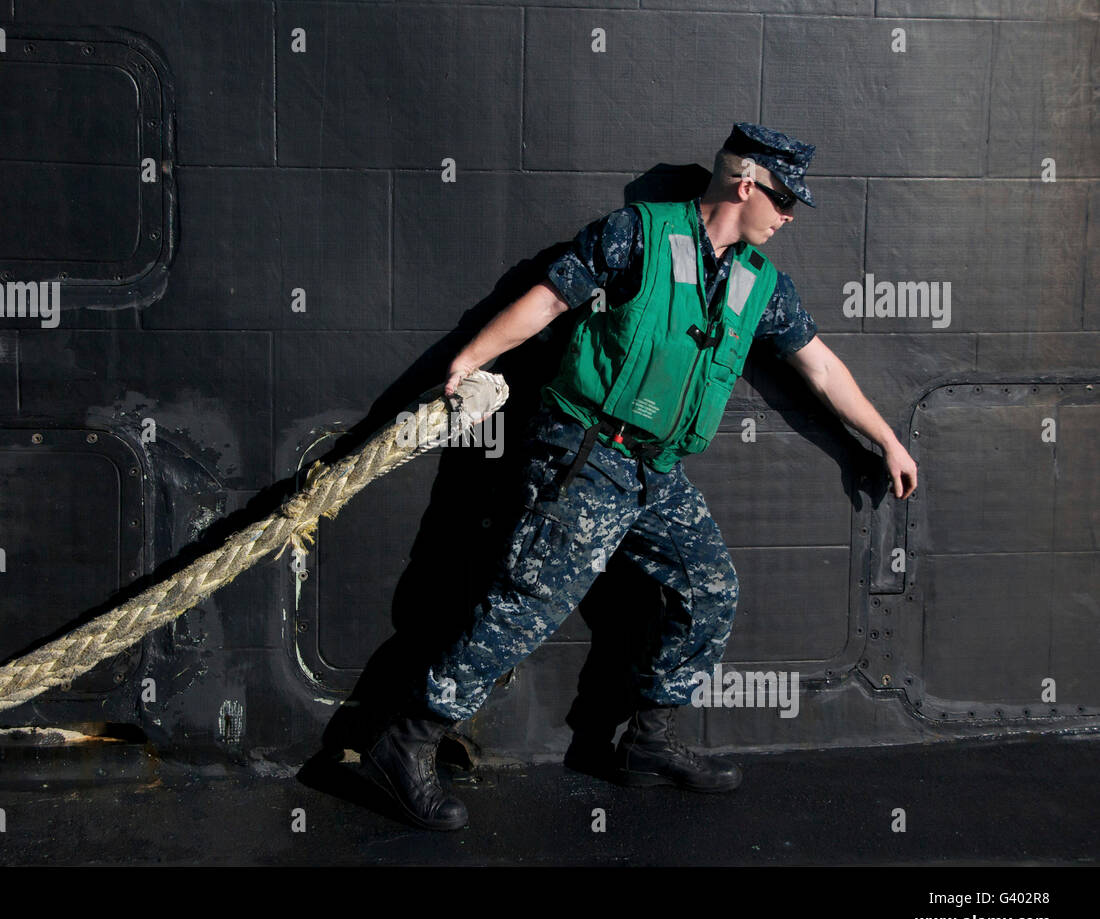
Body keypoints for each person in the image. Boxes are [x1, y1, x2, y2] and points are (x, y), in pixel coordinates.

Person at [359, 122, 919, 831]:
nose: (789, 217)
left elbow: (821, 367)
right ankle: (404, 742)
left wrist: (886, 440)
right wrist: (472, 359)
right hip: (588, 452)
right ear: (746, 184)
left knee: (710, 589)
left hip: (657, 468)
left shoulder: (761, 285)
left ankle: (648, 743)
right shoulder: (639, 236)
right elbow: (551, 298)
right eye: (784, 201)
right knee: (529, 603)